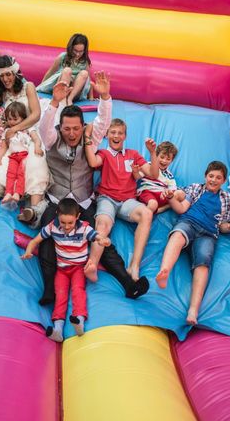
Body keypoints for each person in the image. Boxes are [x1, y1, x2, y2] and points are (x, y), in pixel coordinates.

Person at [20, 71, 150, 304]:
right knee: (48, 239)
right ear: (61, 128)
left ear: (83, 127)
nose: (71, 133)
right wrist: (55, 102)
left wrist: (105, 96)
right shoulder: (52, 138)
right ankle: (49, 290)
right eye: (67, 129)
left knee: (101, 241)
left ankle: (129, 284)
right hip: (57, 200)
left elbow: (102, 122)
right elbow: (45, 128)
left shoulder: (91, 139)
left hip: (83, 202)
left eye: (76, 129)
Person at [155, 161, 230, 325]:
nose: (213, 180)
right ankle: (164, 271)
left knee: (203, 263)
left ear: (223, 180)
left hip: (208, 233)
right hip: (189, 223)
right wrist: (173, 196)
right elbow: (181, 202)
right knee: (177, 235)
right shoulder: (196, 188)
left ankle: (193, 310)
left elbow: (222, 225)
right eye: (211, 176)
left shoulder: (227, 198)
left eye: (218, 178)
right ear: (205, 176)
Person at [22, 198, 111, 342]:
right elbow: (35, 240)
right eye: (63, 222)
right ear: (57, 215)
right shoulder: (53, 227)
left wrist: (103, 240)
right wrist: (28, 251)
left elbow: (97, 237)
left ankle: (79, 320)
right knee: (60, 295)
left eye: (70, 223)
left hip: (78, 268)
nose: (67, 226)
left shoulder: (83, 228)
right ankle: (58, 329)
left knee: (77, 290)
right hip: (62, 269)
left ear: (77, 217)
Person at [0, 56, 47, 219]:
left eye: (8, 74)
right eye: (2, 75)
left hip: (30, 133)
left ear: (15, 72)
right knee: (2, 166)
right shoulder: (2, 94)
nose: (5, 79)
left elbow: (35, 114)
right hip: (12, 140)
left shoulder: (28, 87)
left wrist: (15, 128)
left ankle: (34, 212)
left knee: (35, 165)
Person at [83, 122, 158, 282]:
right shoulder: (104, 153)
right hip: (107, 198)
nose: (116, 136)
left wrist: (152, 153)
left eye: (120, 133)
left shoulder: (133, 154)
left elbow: (153, 173)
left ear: (125, 136)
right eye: (113, 132)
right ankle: (92, 265)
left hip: (127, 201)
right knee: (103, 224)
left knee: (146, 213)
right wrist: (87, 137)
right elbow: (93, 162)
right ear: (107, 135)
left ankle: (134, 266)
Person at [0, 101, 43, 204]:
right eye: (9, 119)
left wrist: (37, 147)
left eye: (15, 119)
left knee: (21, 174)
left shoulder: (28, 128)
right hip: (13, 156)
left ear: (23, 118)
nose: (12, 122)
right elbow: (3, 147)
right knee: (10, 174)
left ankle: (18, 193)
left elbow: (36, 139)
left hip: (25, 156)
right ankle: (8, 193)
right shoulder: (7, 132)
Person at [37, 33, 92, 103]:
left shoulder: (85, 62)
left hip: (74, 92)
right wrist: (41, 86)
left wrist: (91, 97)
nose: (77, 54)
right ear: (70, 47)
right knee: (67, 70)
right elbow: (50, 72)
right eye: (75, 50)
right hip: (61, 89)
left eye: (81, 51)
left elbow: (88, 81)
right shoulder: (63, 57)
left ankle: (69, 99)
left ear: (85, 50)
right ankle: (62, 99)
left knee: (84, 73)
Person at [134, 141, 184, 214]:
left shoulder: (169, 175)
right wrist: (135, 172)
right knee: (153, 204)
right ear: (156, 155)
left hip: (161, 196)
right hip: (147, 192)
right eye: (162, 157)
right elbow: (138, 177)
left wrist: (168, 192)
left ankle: (159, 209)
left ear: (171, 161)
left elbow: (172, 190)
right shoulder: (148, 166)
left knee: (181, 193)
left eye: (168, 159)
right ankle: (146, 215)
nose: (164, 161)